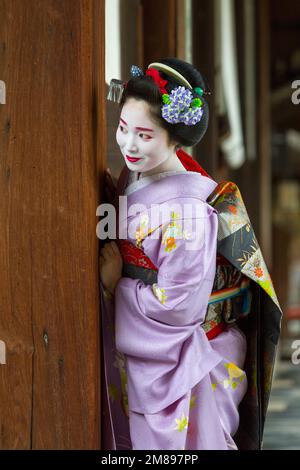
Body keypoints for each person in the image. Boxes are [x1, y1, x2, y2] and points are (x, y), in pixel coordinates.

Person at [99, 58, 282, 450]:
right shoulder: (136, 175)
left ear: (175, 140)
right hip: (152, 347)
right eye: (123, 128)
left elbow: (179, 307)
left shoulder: (190, 213)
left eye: (144, 136)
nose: (129, 145)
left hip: (181, 358)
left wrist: (120, 287)